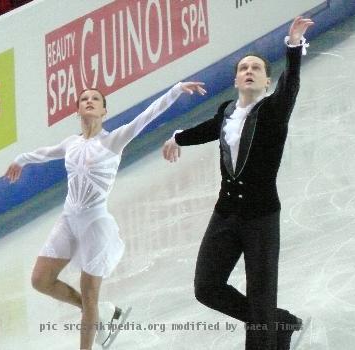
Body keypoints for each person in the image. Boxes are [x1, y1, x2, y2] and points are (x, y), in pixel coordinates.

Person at [5, 81, 206, 349]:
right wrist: (21, 159)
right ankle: (102, 312)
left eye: (95, 100)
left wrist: (176, 89)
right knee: (40, 280)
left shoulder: (114, 140)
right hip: (68, 220)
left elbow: (147, 116)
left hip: (94, 226)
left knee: (90, 296)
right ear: (77, 111)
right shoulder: (70, 143)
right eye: (84, 99)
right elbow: (44, 153)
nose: (89, 101)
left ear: (104, 111)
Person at [162, 17, 314, 350]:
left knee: (261, 301)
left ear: (266, 80)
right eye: (243, 68)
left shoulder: (274, 110)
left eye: (256, 68)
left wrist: (292, 47)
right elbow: (208, 129)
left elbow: (291, 84)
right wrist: (177, 138)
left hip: (261, 218)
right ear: (235, 80)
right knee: (207, 287)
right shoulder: (227, 111)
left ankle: (270, 326)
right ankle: (279, 321)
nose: (248, 71)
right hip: (225, 215)